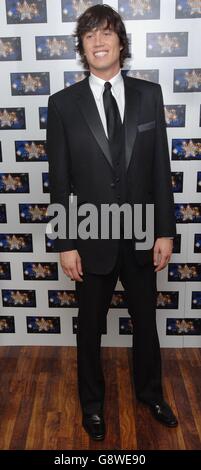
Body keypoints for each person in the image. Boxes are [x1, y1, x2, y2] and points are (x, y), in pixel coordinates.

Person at [47, 4, 178, 441]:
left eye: (106, 33)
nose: (98, 41)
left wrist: (165, 230)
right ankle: (92, 405)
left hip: (142, 233)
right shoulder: (63, 105)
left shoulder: (148, 96)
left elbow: (160, 168)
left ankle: (151, 393)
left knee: (147, 322)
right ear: (82, 48)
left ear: (121, 41)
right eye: (89, 36)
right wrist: (66, 242)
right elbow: (60, 182)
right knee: (89, 329)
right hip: (88, 236)